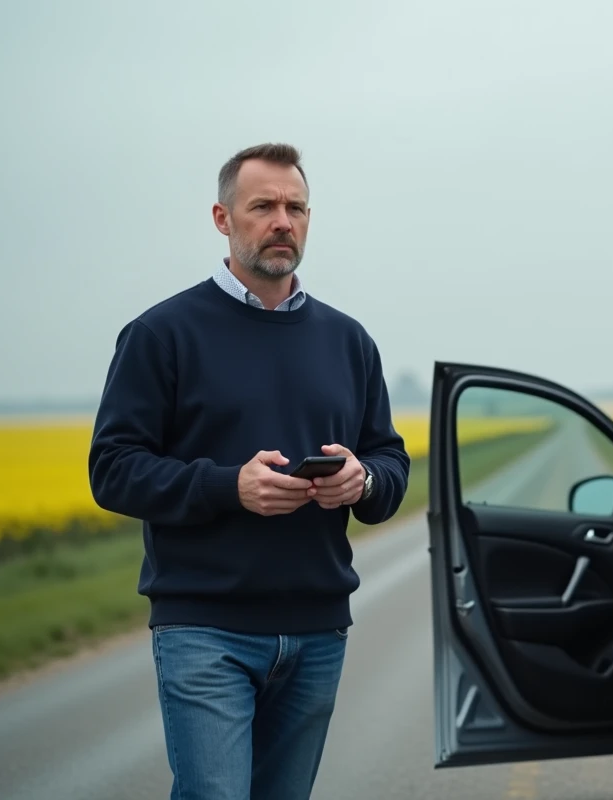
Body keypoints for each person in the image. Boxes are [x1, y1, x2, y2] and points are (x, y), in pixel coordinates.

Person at [88, 142, 410, 799]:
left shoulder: (349, 341)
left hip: (319, 628)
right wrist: (227, 485)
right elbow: (113, 469)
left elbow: (389, 459)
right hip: (206, 628)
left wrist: (364, 481)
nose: (282, 221)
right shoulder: (161, 334)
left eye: (296, 207)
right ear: (222, 218)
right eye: (263, 206)